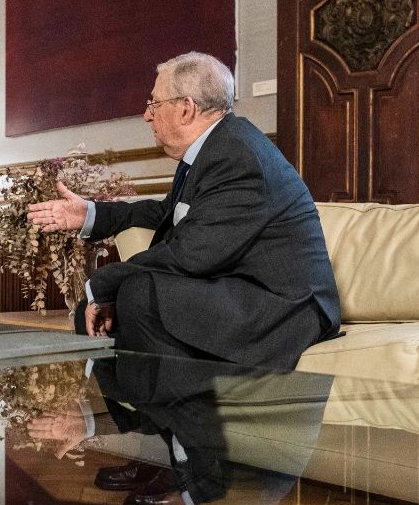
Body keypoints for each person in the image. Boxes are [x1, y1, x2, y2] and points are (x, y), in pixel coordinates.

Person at [27, 52, 339, 371]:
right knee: (91, 309)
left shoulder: (237, 155)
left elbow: (194, 253)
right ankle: (133, 418)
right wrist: (90, 214)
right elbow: (167, 213)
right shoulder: (211, 149)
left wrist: (105, 282)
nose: (147, 115)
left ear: (186, 108)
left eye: (154, 104)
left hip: (287, 310)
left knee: (137, 296)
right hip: (243, 292)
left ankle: (185, 419)